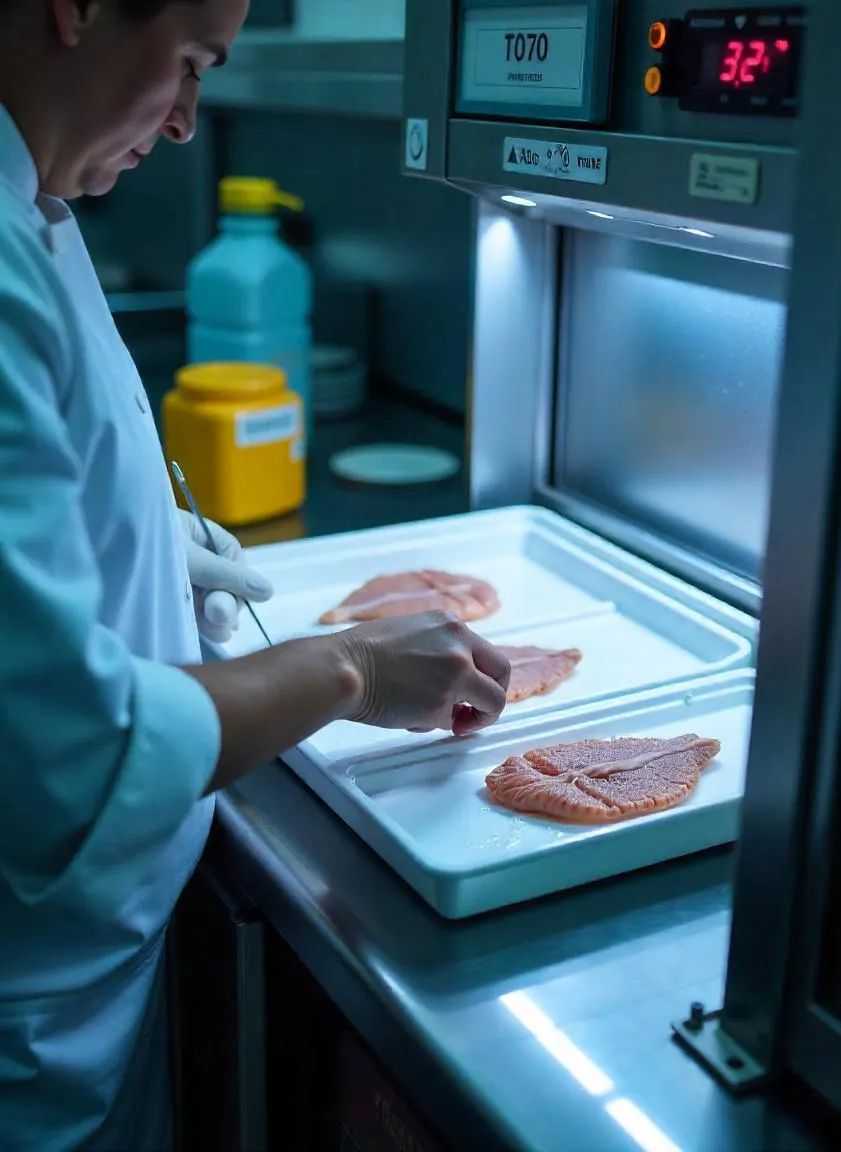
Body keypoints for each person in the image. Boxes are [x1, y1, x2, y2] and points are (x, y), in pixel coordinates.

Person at [0, 1, 511, 1148]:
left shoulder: (36, 198)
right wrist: (348, 669)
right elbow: (74, 753)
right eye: (186, 63)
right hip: (28, 1014)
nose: (188, 122)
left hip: (83, 966)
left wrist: (134, 538)